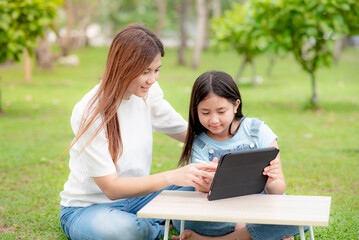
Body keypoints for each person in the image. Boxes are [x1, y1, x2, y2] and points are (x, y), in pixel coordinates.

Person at [59, 24, 217, 240]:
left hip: (141, 197)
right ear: (124, 66)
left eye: (157, 70)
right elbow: (111, 189)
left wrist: (229, 144)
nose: (152, 79)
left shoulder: (147, 93)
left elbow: (185, 131)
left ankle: (158, 219)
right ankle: (157, 226)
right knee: (124, 231)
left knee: (205, 182)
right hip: (90, 208)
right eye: (145, 72)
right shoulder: (90, 112)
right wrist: (173, 176)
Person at [172, 70, 304, 240]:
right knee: (185, 218)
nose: (214, 120)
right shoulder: (200, 143)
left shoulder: (258, 131)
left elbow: (277, 191)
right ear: (195, 110)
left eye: (221, 112)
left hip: (257, 206)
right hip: (220, 210)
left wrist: (273, 180)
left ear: (236, 105)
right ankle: (255, 233)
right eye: (205, 113)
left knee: (296, 213)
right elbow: (200, 193)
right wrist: (208, 186)